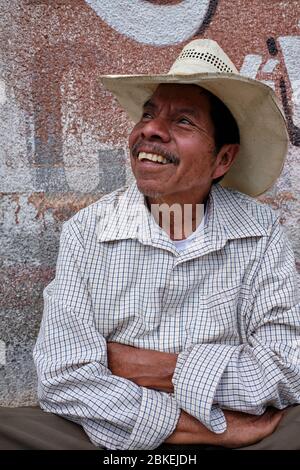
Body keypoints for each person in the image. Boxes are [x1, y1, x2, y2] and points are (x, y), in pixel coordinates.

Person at [1, 39, 300, 450]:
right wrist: (206, 428)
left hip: (171, 422)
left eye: (183, 122)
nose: (150, 130)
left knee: (294, 427)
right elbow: (62, 378)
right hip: (134, 430)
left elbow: (286, 371)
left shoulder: (260, 233)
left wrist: (158, 368)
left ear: (223, 160)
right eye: (148, 113)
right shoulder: (88, 230)